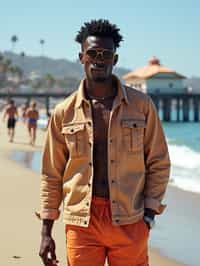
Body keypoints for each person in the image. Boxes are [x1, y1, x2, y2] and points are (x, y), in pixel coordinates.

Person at [38, 19, 170, 266]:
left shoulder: (141, 106)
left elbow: (159, 162)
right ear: (81, 57)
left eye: (105, 53)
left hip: (130, 219)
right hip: (81, 222)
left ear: (115, 59)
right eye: (92, 53)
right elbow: (51, 173)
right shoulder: (64, 112)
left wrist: (149, 215)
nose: (99, 59)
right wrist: (46, 230)